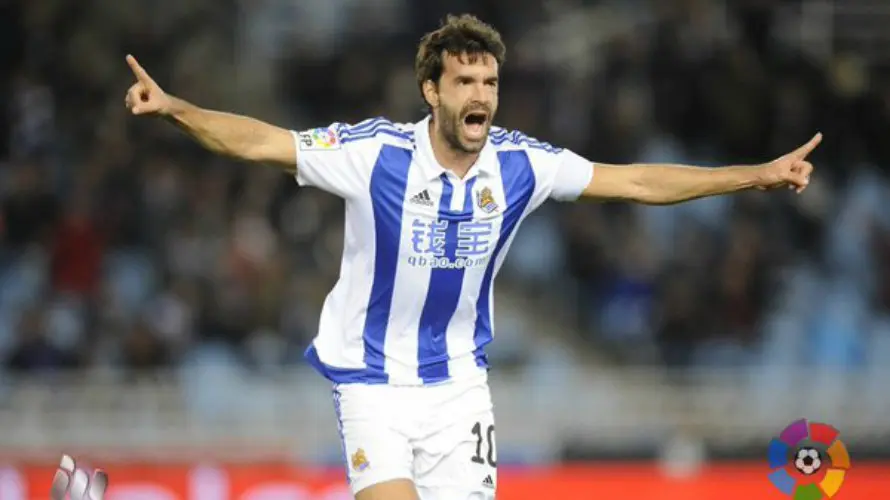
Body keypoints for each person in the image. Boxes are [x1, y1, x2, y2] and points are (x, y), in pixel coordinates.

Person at [123, 13, 819, 500]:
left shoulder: (522, 165)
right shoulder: (375, 155)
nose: (481, 96)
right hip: (374, 384)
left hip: (460, 392)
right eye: (465, 83)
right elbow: (262, 142)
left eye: (489, 83)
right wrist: (177, 108)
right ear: (433, 92)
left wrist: (752, 174)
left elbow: (634, 180)